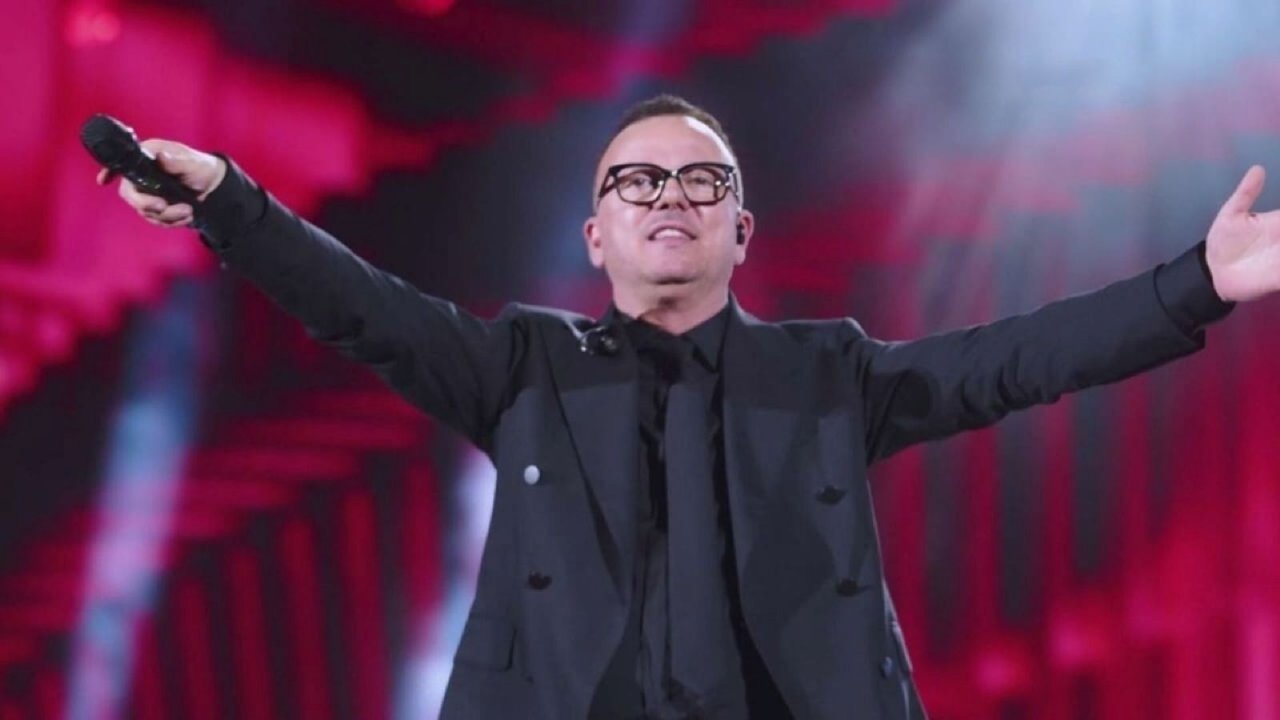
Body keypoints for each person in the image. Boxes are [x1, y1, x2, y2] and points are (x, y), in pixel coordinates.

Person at [98, 95, 1278, 720]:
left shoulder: (826, 375)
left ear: (739, 229)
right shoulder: (521, 369)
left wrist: (1198, 283)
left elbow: (1012, 360)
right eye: (638, 179)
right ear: (595, 232)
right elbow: (361, 307)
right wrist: (227, 203)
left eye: (702, 179)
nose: (671, 195)